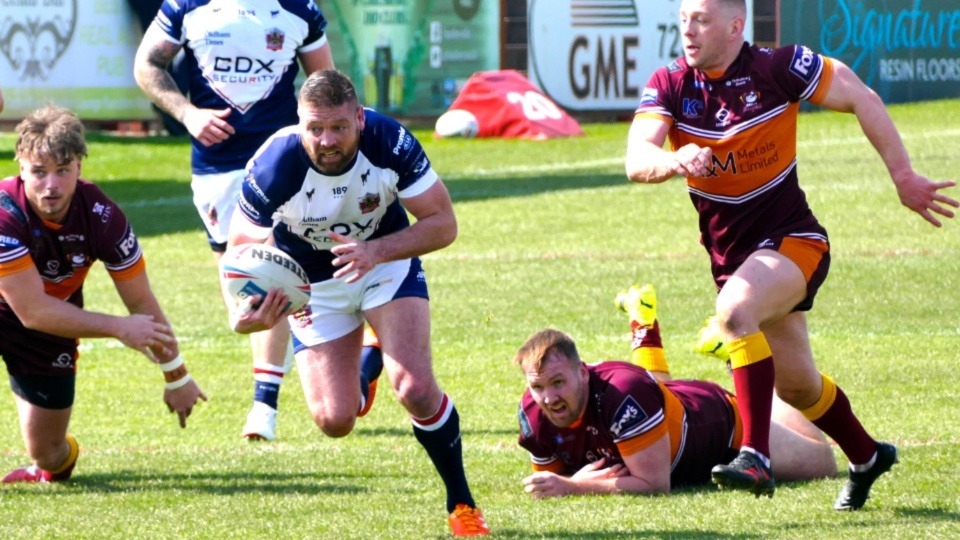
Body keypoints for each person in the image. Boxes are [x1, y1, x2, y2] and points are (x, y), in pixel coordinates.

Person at [624, 0, 958, 509]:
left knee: (735, 313)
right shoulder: (670, 82)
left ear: (737, 26)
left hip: (794, 240)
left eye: (702, 20)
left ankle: (755, 455)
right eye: (683, 20)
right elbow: (635, 158)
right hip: (734, 258)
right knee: (799, 388)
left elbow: (860, 96)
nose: (688, 32)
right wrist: (672, 159)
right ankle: (867, 455)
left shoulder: (778, 67)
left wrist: (903, 176)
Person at [220, 69, 490, 537]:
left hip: (383, 261)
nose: (326, 140)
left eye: (338, 127)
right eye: (315, 128)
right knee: (334, 419)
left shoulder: (390, 141)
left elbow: (443, 223)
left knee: (416, 389)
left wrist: (376, 251)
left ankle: (462, 503)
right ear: (299, 122)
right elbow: (239, 257)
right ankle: (369, 361)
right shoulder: (273, 165)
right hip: (310, 284)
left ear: (359, 119)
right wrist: (244, 317)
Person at [133, 0, 337, 441]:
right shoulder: (186, 7)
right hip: (216, 170)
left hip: (280, 163)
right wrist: (188, 114)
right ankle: (343, 352)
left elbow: (330, 87)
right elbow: (147, 64)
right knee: (242, 296)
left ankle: (264, 404)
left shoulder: (298, 10)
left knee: (272, 273)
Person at [0, 106, 207, 483]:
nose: (51, 186)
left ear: (79, 166)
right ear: (20, 166)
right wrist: (118, 327)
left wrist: (176, 377)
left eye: (62, 171)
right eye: (39, 172)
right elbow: (31, 310)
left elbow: (142, 304)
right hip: (29, 310)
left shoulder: (104, 218)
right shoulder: (3, 214)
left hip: (50, 325)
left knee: (48, 455)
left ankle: (52, 461)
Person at [515, 283, 837, 498]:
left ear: (582, 372)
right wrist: (567, 483)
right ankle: (644, 325)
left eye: (558, 383)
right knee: (649, 403)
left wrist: (575, 487)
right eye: (538, 386)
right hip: (660, 405)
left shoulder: (624, 396)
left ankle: (746, 372)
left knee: (822, 462)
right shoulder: (533, 411)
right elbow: (546, 487)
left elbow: (654, 484)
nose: (548, 397)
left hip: (719, 422)